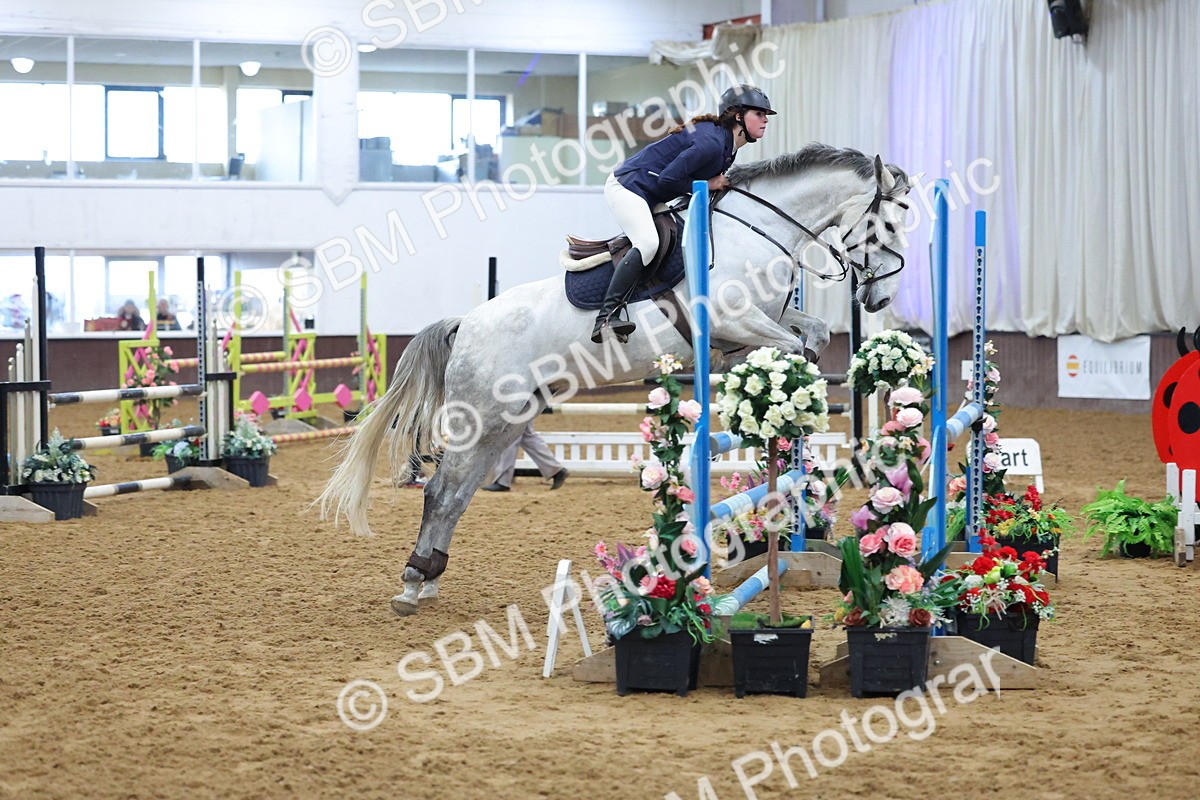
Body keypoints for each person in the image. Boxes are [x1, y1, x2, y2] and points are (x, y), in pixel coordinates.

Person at [591, 84, 775, 344]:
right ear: (738, 116)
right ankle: (606, 317)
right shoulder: (711, 144)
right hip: (629, 187)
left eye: (766, 115)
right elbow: (668, 179)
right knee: (648, 243)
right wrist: (710, 185)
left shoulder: (727, 145)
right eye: (759, 113)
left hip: (653, 193)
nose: (766, 120)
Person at [481, 421, 569, 492]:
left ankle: (503, 481)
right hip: (526, 402)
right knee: (527, 436)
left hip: (518, 402)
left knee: (509, 434)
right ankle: (556, 470)